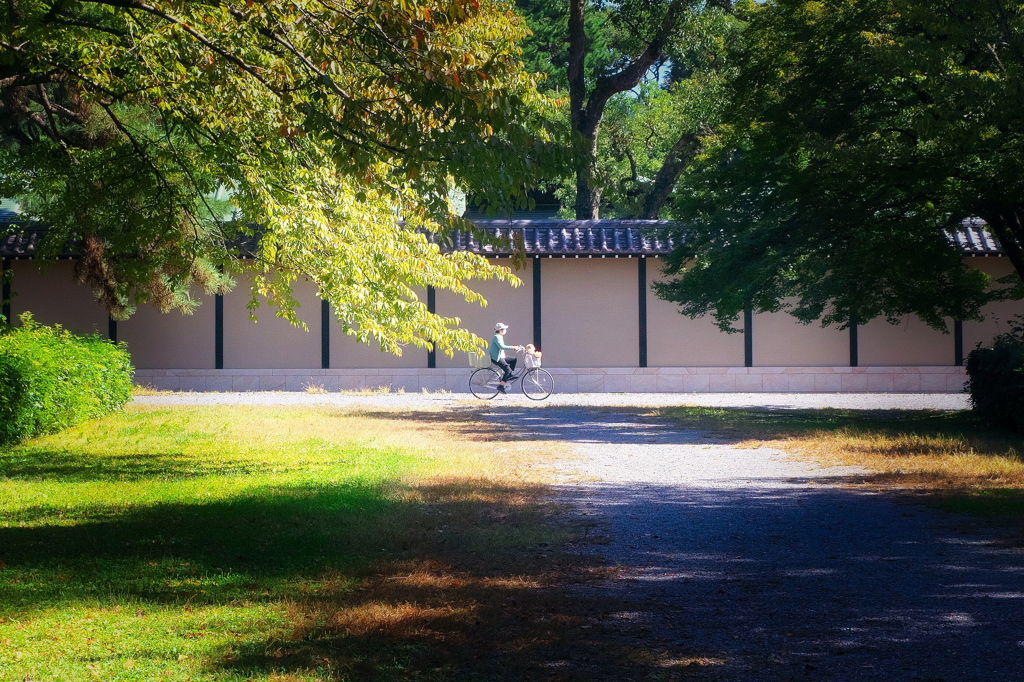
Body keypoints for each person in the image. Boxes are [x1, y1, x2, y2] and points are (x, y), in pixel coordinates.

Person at [489, 322, 523, 394]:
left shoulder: (499, 336)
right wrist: (513, 347)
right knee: (508, 370)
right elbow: (502, 347)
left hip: (501, 357)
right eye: (504, 329)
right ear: (500, 330)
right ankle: (501, 386)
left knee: (514, 359)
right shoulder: (496, 337)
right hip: (496, 358)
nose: (505, 330)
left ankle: (509, 376)